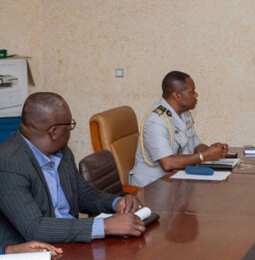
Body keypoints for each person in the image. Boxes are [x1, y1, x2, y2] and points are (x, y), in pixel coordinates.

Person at [0, 92, 146, 250]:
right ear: (54, 131)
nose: (70, 129)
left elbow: (82, 193)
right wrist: (104, 226)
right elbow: (35, 228)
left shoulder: (61, 152)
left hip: (69, 244)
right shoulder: (9, 163)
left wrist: (117, 202)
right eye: (69, 125)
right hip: (36, 254)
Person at [130, 71, 228, 187]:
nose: (196, 95)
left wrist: (213, 151)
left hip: (176, 180)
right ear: (177, 96)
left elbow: (196, 145)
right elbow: (168, 163)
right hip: (152, 186)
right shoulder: (156, 121)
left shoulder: (184, 113)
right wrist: (205, 156)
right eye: (192, 92)